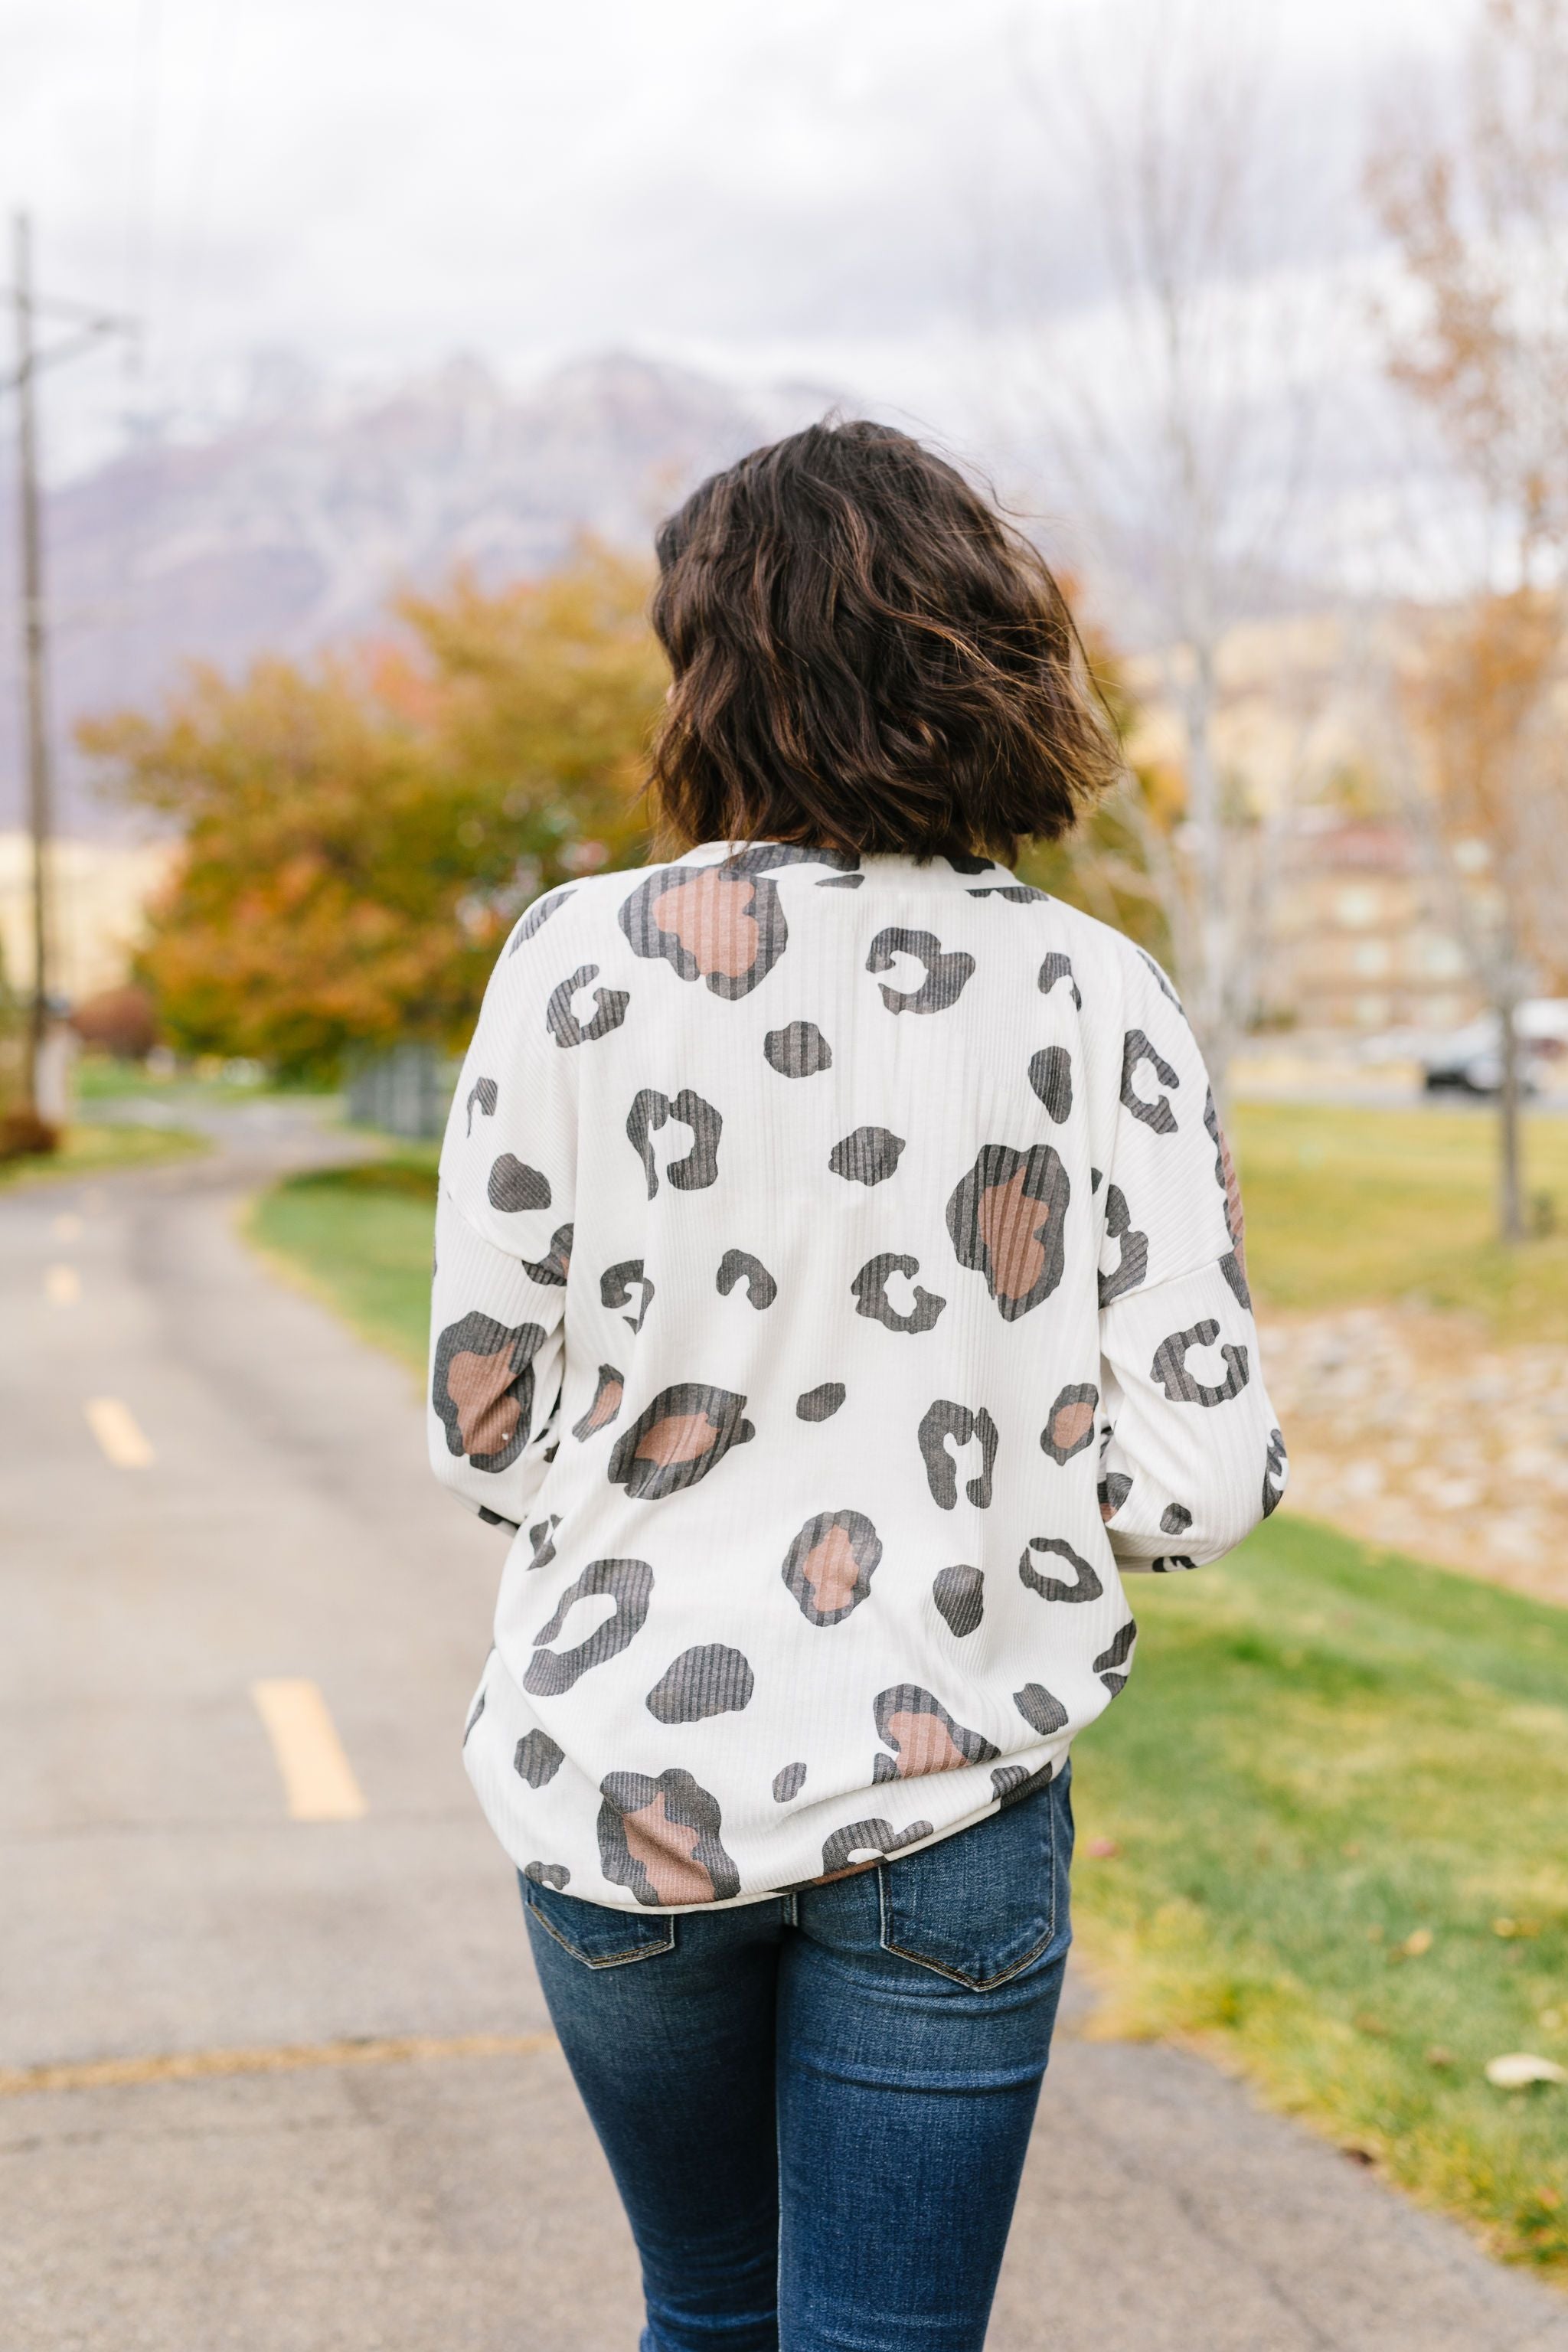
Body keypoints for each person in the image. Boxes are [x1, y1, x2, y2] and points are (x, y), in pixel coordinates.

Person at [428, 419, 1286, 2352]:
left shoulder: (570, 965)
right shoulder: (1091, 993)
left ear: (709, 671)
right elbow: (1199, 1483)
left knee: (706, 2310)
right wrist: (993, 1484)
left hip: (612, 1791)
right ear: (979, 653)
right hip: (952, 1792)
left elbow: (474, 1429)